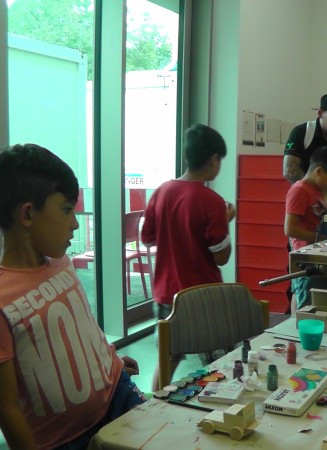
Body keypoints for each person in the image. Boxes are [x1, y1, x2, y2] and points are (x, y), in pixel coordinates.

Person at [0, 144, 145, 450]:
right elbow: (8, 409)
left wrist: (109, 359)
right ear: (28, 214)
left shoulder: (62, 262)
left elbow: (82, 327)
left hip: (118, 394)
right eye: (67, 210)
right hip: (66, 441)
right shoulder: (2, 299)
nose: (76, 223)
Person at [141, 124, 236, 391]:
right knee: (221, 360)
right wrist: (226, 220)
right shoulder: (212, 201)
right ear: (214, 159)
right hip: (203, 296)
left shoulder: (161, 192)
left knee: (167, 359)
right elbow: (221, 257)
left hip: (166, 294)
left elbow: (147, 238)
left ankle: (155, 405)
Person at [284, 146, 327, 314]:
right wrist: (321, 238)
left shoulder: (317, 190)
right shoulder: (299, 190)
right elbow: (290, 229)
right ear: (318, 171)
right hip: (307, 260)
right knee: (307, 307)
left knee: (322, 304)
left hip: (319, 255)